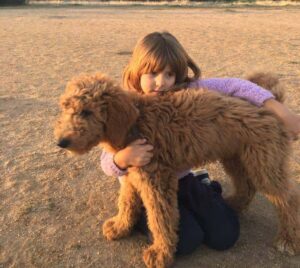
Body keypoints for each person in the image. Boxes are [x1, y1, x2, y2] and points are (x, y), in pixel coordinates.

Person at [100, 31, 300, 256]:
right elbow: (107, 161)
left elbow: (235, 85)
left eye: (169, 74)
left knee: (226, 234)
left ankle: (291, 229)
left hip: (183, 179)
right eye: (153, 73)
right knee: (186, 241)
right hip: (146, 187)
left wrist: (279, 109)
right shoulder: (125, 105)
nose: (161, 82)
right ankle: (139, 218)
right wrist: (123, 158)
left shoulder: (188, 90)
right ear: (136, 71)